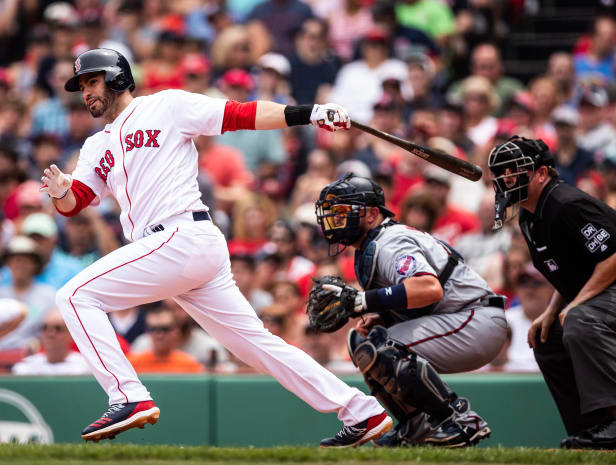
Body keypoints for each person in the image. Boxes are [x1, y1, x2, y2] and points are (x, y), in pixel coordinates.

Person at [40, 48, 389, 446]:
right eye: (81, 86)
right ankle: (363, 411)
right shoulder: (94, 147)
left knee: (74, 295)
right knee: (258, 347)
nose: (86, 92)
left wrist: (308, 112)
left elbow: (239, 114)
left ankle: (129, 396)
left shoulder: (166, 106)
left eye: (92, 81)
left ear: (118, 78)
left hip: (180, 236)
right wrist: (61, 193)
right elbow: (75, 203)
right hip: (175, 252)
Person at [311, 174, 508, 447]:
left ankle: (461, 419)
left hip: (475, 318)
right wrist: (382, 313)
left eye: (343, 212)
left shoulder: (391, 241)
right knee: (363, 343)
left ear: (370, 215)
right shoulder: (373, 244)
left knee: (384, 345)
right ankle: (414, 426)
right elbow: (422, 301)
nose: (334, 220)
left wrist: (364, 301)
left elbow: (428, 289)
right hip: (456, 318)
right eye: (333, 213)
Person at [487, 135, 616, 449]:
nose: (506, 179)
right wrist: (550, 312)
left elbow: (614, 256)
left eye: (514, 171)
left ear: (542, 173)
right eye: (501, 173)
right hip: (605, 293)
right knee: (546, 337)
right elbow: (568, 274)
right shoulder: (528, 218)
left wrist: (577, 305)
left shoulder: (566, 203)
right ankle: (591, 430)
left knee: (581, 319)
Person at [12, 309, 89, 376]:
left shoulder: (85, 367)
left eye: (58, 328)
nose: (50, 334)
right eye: (45, 328)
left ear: (71, 334)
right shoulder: (26, 367)